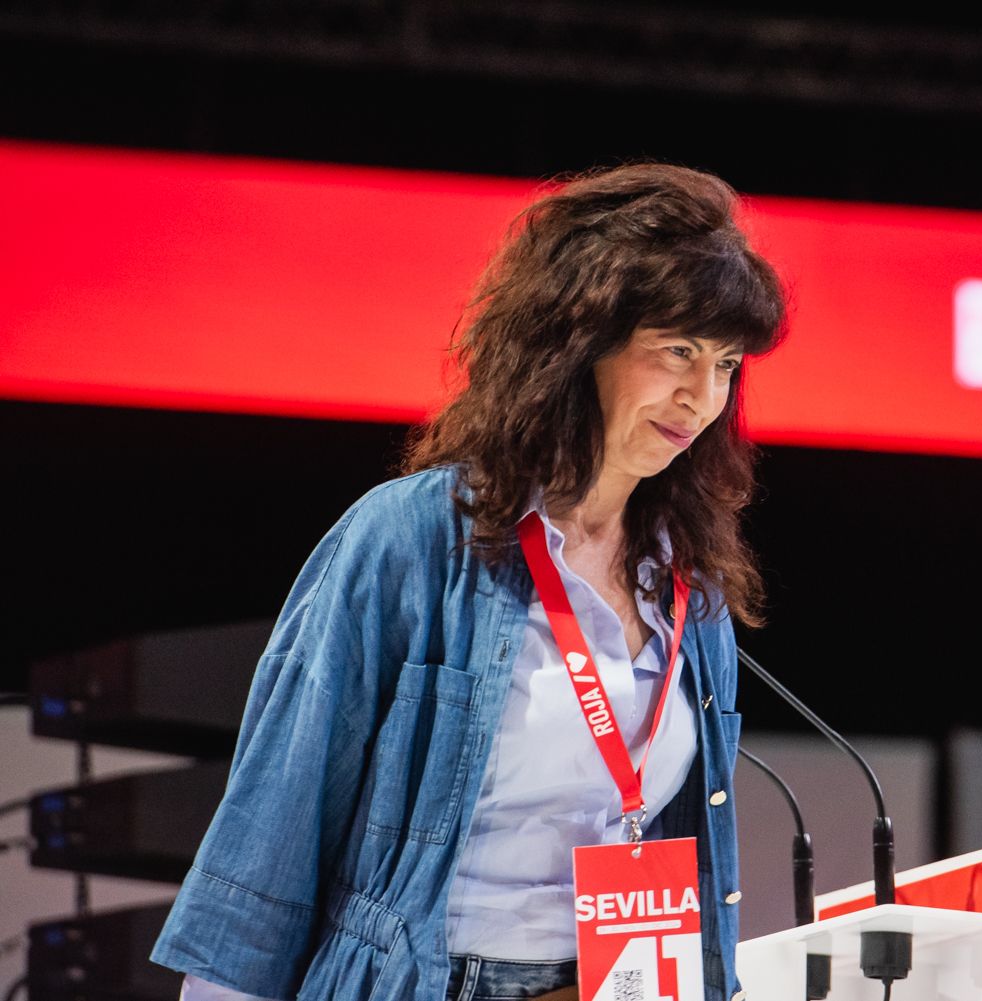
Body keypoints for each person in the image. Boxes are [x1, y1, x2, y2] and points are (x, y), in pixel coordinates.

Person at [150, 161, 789, 1001]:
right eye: (678, 351)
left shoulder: (687, 583)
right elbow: (277, 821)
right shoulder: (409, 540)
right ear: (582, 342)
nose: (702, 396)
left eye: (726, 363)